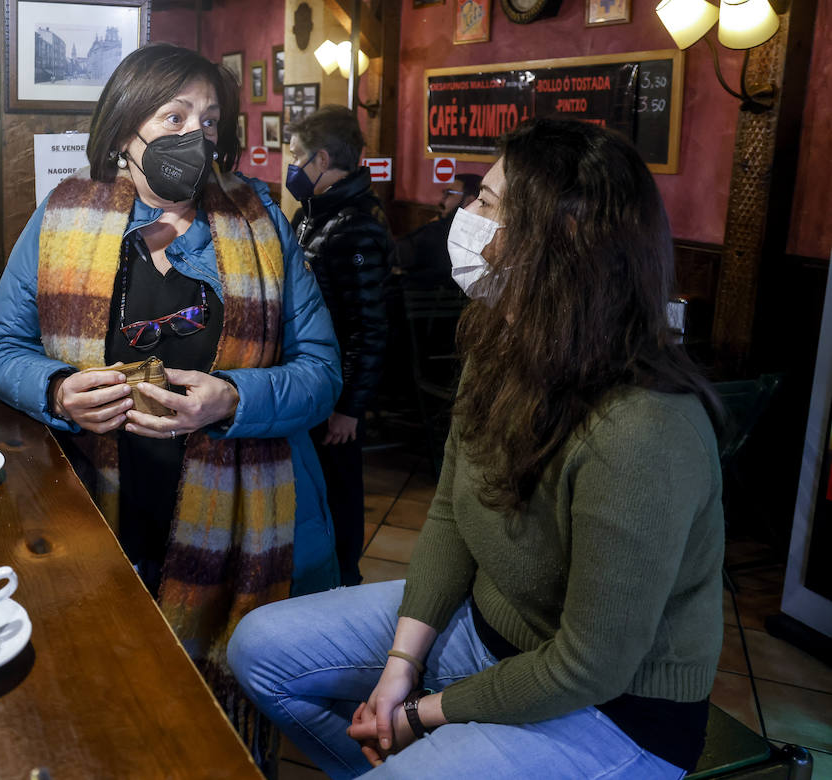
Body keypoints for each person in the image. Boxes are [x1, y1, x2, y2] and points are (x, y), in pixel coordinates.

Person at [228, 118, 724, 779]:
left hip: (613, 711)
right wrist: (400, 670)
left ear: (561, 236)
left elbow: (588, 666)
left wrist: (424, 716)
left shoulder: (644, 428)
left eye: (485, 204)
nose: (464, 216)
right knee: (257, 648)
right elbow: (451, 517)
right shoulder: (502, 345)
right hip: (485, 634)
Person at [0, 42, 341, 723]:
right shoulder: (62, 216)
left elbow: (322, 373)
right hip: (100, 500)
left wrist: (235, 397)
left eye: (206, 121)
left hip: (243, 510)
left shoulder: (261, 219)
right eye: (172, 117)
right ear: (125, 131)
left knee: (212, 710)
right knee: (108, 690)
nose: (192, 136)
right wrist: (56, 389)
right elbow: (1, 347)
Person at [287, 106, 392, 587]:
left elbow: (368, 326)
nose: (288, 169)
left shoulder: (355, 226)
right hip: (315, 383)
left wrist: (350, 406)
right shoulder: (316, 213)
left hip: (338, 395)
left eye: (294, 157)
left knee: (341, 492)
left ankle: (344, 581)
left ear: (321, 158)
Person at [393, 172, 480, 290]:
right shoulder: (481, 233)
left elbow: (397, 254)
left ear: (469, 201)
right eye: (444, 193)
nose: (441, 201)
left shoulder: (439, 233)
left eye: (449, 194)